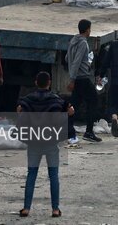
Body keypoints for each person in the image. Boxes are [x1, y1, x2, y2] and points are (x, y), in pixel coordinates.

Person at [17, 71, 70, 218]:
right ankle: (55, 209)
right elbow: (67, 111)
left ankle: (26, 208)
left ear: (36, 82)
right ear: (49, 83)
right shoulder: (56, 100)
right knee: (53, 175)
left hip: (34, 141)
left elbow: (21, 112)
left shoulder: (27, 99)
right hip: (50, 142)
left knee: (31, 174)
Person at [66, 19, 101, 142]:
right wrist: (72, 79)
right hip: (82, 78)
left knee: (74, 105)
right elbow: (77, 62)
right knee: (94, 101)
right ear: (87, 30)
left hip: (78, 78)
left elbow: (68, 58)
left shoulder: (73, 41)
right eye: (90, 29)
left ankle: (67, 130)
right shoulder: (83, 43)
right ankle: (89, 131)